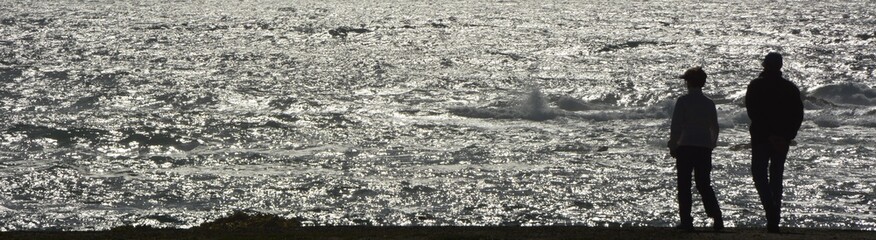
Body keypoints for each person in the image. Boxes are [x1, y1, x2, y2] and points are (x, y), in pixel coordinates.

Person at [744, 52, 804, 233]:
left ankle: (771, 212)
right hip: (782, 140)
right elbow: (798, 115)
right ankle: (774, 217)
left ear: (764, 66)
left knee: (759, 174)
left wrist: (769, 134)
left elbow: (753, 113)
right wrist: (787, 136)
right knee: (776, 177)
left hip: (762, 138)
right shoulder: (790, 88)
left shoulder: (756, 86)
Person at [668, 67, 723, 231]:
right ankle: (716, 216)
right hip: (703, 147)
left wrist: (673, 144)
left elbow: (676, 126)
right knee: (704, 184)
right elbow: (715, 127)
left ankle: (686, 221)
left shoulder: (683, 101)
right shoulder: (709, 103)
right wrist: (711, 144)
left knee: (684, 185)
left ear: (688, 82)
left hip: (685, 146)